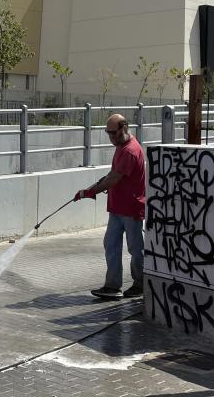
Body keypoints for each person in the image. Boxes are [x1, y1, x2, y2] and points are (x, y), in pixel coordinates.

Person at [74, 113, 146, 299]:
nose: (111, 138)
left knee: (135, 248)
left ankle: (141, 284)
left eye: (113, 133)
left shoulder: (130, 150)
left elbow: (114, 178)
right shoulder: (122, 145)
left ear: (123, 128)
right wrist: (99, 183)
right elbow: (114, 174)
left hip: (130, 208)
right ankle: (113, 286)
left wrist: (88, 192)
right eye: (108, 134)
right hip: (117, 207)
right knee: (111, 244)